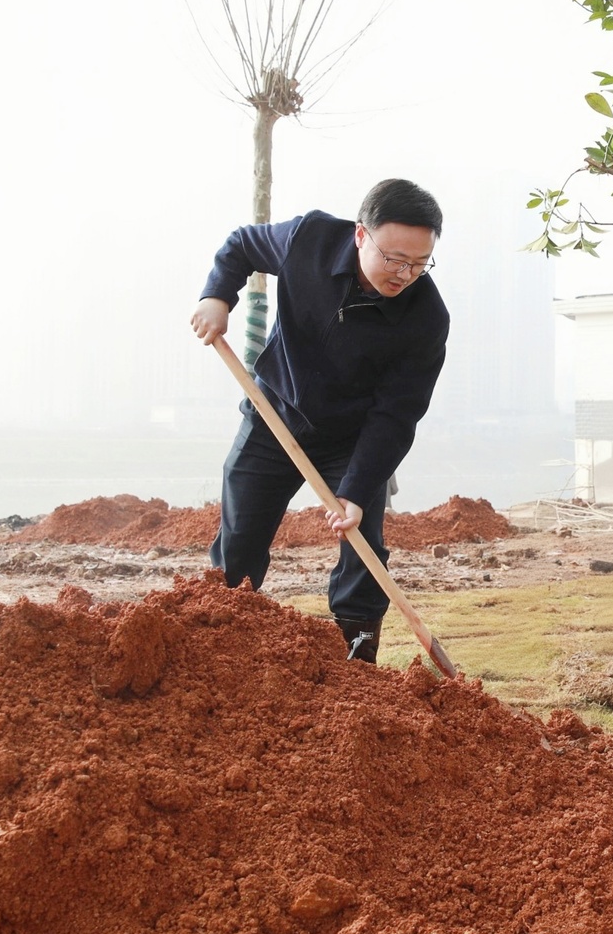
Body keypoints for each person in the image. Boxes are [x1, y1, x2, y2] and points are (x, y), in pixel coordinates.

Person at [189, 178, 448, 663]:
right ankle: (221, 645)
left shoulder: (426, 318)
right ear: (359, 235)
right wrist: (217, 296)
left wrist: (357, 487)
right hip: (275, 415)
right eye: (394, 258)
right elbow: (242, 245)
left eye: (419, 263)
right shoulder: (309, 239)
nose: (404, 273)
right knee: (241, 533)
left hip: (351, 439)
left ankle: (357, 654)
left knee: (363, 544)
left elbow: (397, 414)